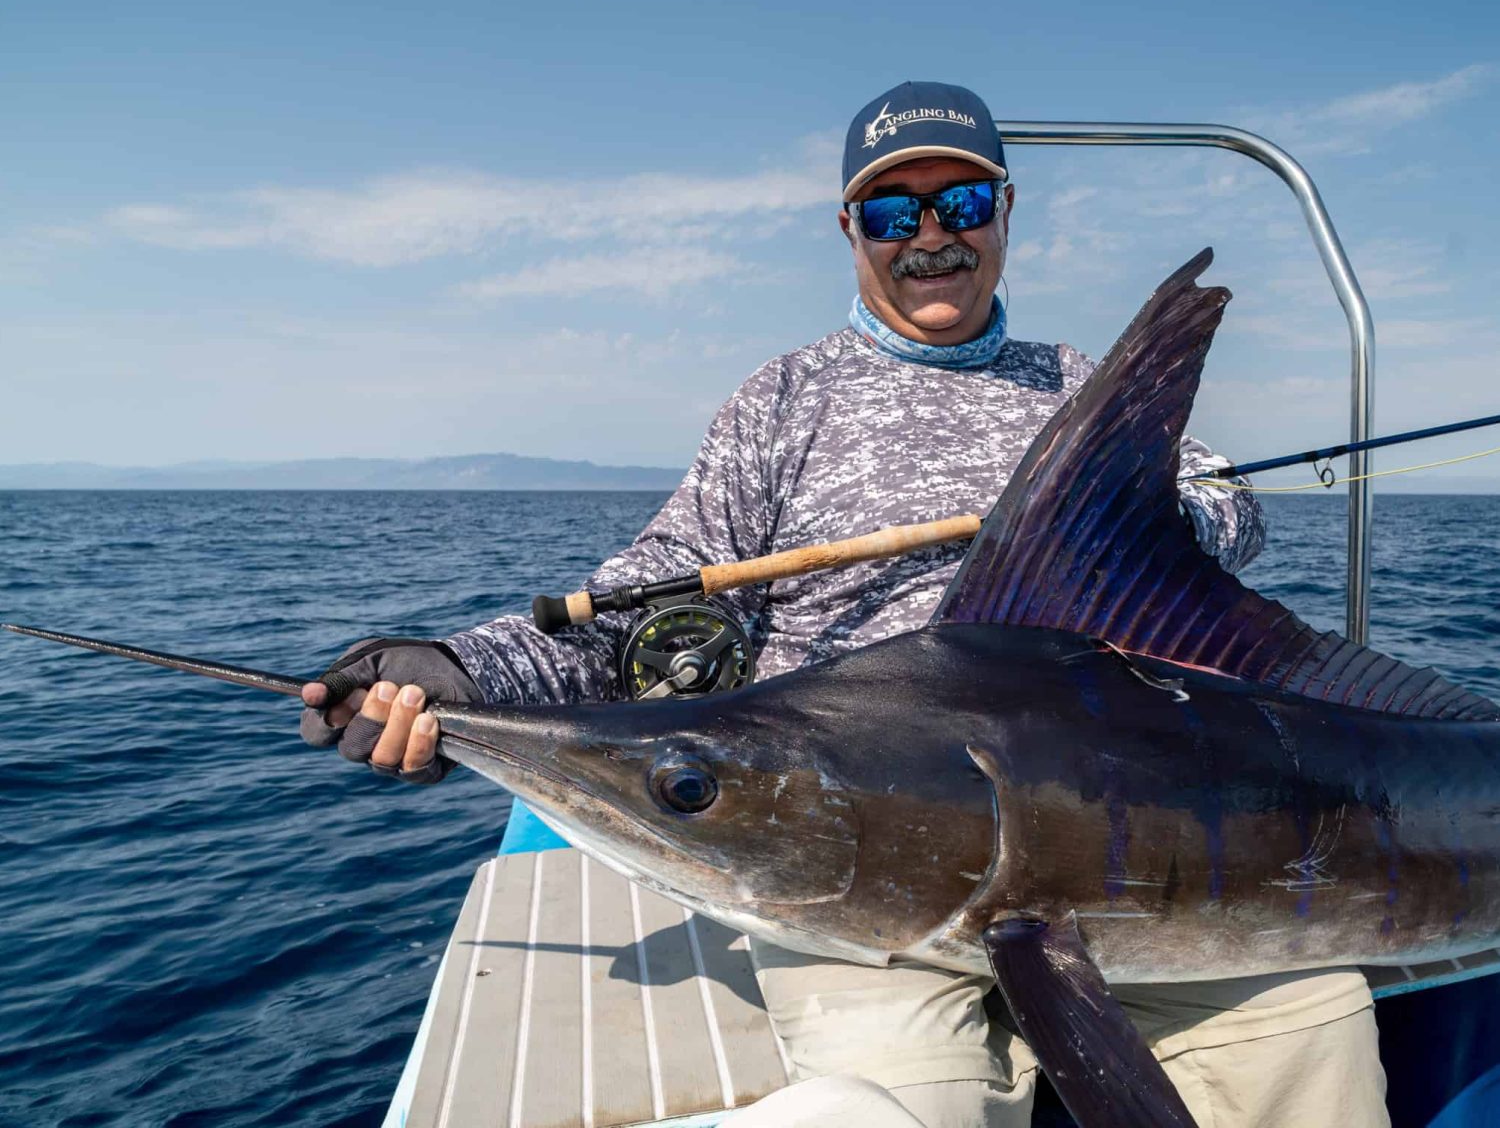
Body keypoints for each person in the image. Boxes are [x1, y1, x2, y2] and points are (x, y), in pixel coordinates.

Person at [300, 82, 1387, 1127]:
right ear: (850, 229)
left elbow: (1226, 501)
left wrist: (1133, 523)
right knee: (913, 1102)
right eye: (892, 212)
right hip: (854, 849)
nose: (931, 237)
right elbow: (656, 587)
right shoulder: (783, 401)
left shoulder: (1071, 380)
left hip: (1139, 828)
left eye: (961, 203)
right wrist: (462, 673)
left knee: (1311, 1039)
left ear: (1005, 211)